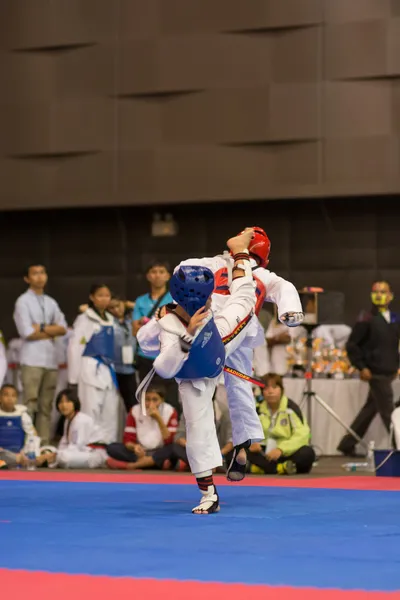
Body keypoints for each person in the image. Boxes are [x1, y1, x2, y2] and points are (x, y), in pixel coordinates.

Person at [155, 227, 303, 481]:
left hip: (221, 326)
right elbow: (284, 287)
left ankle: (237, 449)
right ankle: (241, 447)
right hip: (227, 326)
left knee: (223, 385)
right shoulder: (241, 268)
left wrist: (290, 311)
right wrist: (291, 312)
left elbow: (185, 267)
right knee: (239, 386)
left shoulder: (233, 266)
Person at [137, 228, 257, 514]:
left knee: (244, 300)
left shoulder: (211, 302)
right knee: (197, 428)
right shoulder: (169, 325)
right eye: (204, 300)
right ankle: (209, 493)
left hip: (218, 340)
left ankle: (239, 251)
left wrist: (238, 257)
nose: (206, 302)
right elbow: (164, 369)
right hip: (193, 372)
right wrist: (188, 335)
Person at [337, 281, 400, 457]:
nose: (380, 295)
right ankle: (398, 446)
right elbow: (352, 345)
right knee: (388, 412)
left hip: (389, 370)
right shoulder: (366, 317)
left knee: (370, 409)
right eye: (376, 292)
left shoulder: (394, 319)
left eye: (383, 291)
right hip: (375, 372)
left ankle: (347, 444)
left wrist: (397, 364)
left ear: (390, 295)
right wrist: (362, 366)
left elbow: (395, 345)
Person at [13, 263, 67, 445]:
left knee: (46, 405)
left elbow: (63, 328)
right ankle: (26, 443)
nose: (40, 277)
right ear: (27, 279)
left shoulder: (51, 302)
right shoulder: (22, 301)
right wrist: (51, 330)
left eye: (42, 273)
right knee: (30, 403)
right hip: (31, 358)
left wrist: (42, 327)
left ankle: (43, 443)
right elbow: (27, 332)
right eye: (35, 274)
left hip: (50, 360)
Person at [67, 284, 119, 444]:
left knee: (110, 409)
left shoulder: (111, 320)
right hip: (89, 367)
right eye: (100, 295)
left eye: (107, 295)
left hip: (108, 369)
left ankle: (107, 445)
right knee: (90, 408)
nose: (104, 299)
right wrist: (73, 378)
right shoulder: (84, 318)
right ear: (92, 297)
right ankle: (87, 444)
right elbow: (75, 347)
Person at [246, 373, 315, 475]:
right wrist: (251, 442)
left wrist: (281, 449)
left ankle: (260, 469)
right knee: (238, 451)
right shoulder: (257, 408)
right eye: (266, 388)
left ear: (281, 390)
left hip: (286, 452)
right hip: (263, 452)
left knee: (308, 453)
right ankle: (281, 469)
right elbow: (245, 430)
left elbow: (303, 434)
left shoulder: (291, 408)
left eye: (274, 387)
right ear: (262, 392)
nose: (270, 391)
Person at [106, 385, 178, 470]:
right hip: (141, 452)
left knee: (174, 448)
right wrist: (135, 447)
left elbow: (170, 441)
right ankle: (153, 463)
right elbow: (128, 440)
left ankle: (134, 465)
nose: (150, 404)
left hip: (160, 450)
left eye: (155, 400)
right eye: (147, 399)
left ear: (161, 400)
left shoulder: (170, 411)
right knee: (112, 448)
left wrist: (159, 419)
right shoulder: (135, 410)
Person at [44, 388, 107, 469]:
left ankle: (49, 461)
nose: (64, 405)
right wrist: (55, 453)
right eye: (61, 402)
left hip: (94, 455)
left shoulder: (81, 420)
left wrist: (56, 455)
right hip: (81, 453)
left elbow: (77, 446)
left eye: (68, 401)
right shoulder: (68, 420)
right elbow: (64, 442)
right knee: (50, 450)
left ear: (74, 403)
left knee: (64, 457)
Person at [108, 296, 137, 412]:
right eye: (111, 308)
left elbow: (148, 314)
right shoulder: (107, 321)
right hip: (113, 368)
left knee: (132, 403)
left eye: (118, 306)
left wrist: (129, 304)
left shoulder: (132, 319)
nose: (116, 310)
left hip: (130, 367)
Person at [0, 383, 39, 469]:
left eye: (13, 396)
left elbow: (32, 436)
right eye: (6, 395)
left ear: (17, 399)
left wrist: (25, 451)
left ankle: (17, 460)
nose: (10, 398)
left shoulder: (22, 415)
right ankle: (14, 460)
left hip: (20, 453)